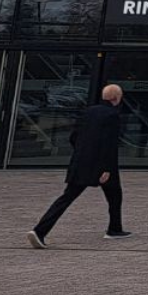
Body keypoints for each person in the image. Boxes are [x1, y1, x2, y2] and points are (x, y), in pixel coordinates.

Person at [28, 84, 131, 249]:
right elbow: (109, 144)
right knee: (114, 195)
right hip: (101, 164)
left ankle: (40, 230)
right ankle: (113, 229)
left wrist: (82, 153)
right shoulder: (112, 115)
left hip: (80, 162)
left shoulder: (88, 112)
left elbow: (74, 137)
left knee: (68, 197)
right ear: (116, 98)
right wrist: (107, 169)